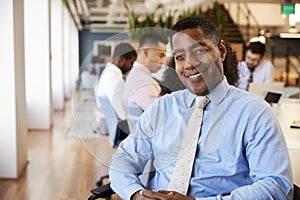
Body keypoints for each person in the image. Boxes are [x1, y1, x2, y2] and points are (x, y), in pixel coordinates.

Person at [109, 16, 293, 200]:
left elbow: (276, 185)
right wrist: (135, 194)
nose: (189, 64)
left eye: (198, 51)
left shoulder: (255, 113)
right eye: (180, 57)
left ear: (221, 51)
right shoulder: (162, 107)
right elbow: (124, 159)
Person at [95, 43, 137, 133]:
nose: (132, 66)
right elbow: (123, 114)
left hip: (106, 122)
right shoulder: (114, 79)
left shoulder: (110, 73)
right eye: (131, 62)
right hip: (115, 127)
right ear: (121, 60)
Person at [122, 33, 168, 111]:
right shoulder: (145, 83)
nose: (163, 62)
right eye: (161, 55)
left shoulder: (134, 75)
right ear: (146, 52)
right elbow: (162, 115)